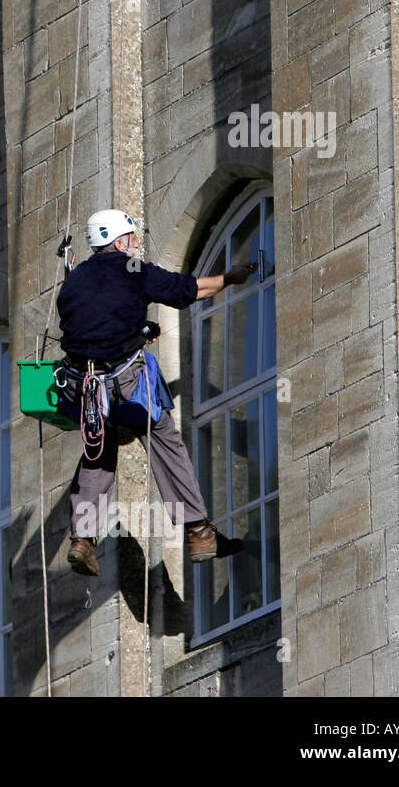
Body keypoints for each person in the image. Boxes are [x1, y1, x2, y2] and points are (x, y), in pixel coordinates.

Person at [54, 209, 256, 578]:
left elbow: (96, 322)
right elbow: (191, 290)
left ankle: (82, 539)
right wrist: (231, 277)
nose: (135, 246)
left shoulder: (74, 280)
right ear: (118, 242)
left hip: (84, 388)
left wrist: (141, 327)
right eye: (131, 239)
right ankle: (198, 531)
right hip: (123, 381)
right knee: (163, 440)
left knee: (97, 452)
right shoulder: (135, 272)